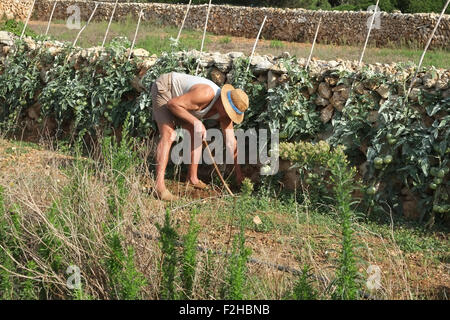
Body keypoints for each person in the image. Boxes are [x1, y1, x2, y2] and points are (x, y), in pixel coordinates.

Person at [151, 72, 249, 201]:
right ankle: (159, 188)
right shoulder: (206, 93)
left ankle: (192, 179)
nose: (229, 117)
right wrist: (197, 122)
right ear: (224, 102)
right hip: (166, 89)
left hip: (181, 103)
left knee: (196, 133)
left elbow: (232, 143)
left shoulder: (225, 115)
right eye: (229, 112)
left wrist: (238, 174)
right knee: (169, 134)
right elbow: (172, 104)